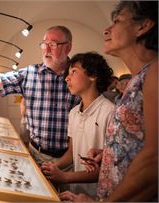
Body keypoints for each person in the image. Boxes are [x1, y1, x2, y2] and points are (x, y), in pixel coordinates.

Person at [59, 1, 158, 202]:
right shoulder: (137, 81)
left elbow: (155, 158)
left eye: (117, 21)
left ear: (143, 26)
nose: (106, 29)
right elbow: (139, 144)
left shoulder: (155, 73)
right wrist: (109, 155)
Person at [0, 26, 80, 166]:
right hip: (36, 155)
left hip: (69, 159)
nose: (46, 49)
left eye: (53, 45)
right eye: (44, 44)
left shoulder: (79, 76)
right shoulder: (30, 74)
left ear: (68, 47)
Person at [41, 52, 115, 198]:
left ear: (92, 76)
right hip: (76, 192)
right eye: (68, 73)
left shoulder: (110, 112)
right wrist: (53, 168)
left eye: (74, 72)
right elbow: (71, 153)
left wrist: (64, 177)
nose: (67, 78)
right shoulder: (74, 112)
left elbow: (109, 168)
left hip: (99, 196)